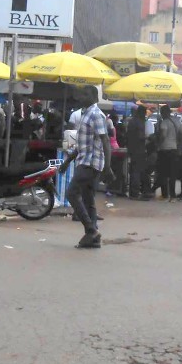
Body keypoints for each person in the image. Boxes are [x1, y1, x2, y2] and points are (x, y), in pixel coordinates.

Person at [63, 85, 113, 249]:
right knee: (88, 199)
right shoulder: (85, 114)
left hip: (91, 163)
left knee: (71, 193)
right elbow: (82, 144)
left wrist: (107, 166)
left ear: (93, 96)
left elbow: (105, 141)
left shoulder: (96, 114)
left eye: (84, 94)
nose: (81, 97)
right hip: (84, 160)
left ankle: (91, 231)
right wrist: (67, 162)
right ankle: (94, 236)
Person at [154, 105, 179, 200]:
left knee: (163, 173)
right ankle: (172, 194)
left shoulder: (164, 122)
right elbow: (181, 134)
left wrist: (158, 144)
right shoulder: (176, 121)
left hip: (164, 150)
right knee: (172, 173)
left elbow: (163, 135)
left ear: (164, 113)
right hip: (174, 149)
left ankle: (165, 193)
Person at [126, 105, 151, 200]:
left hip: (132, 149)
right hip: (139, 150)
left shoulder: (131, 121)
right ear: (142, 112)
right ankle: (135, 193)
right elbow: (140, 137)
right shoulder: (139, 122)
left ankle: (133, 192)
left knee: (134, 171)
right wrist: (148, 137)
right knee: (137, 171)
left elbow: (128, 136)